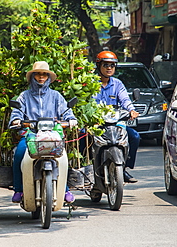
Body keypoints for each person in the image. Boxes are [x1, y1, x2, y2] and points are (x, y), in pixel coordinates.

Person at [9, 61, 78, 203]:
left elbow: (66, 111)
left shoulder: (56, 96)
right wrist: (16, 120)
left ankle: (64, 189)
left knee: (62, 158)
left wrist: (70, 119)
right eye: (38, 74)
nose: (41, 77)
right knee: (19, 153)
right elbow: (17, 113)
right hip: (31, 135)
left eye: (44, 74)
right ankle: (19, 189)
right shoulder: (24, 96)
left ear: (48, 77)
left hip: (52, 135)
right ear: (33, 76)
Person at [93, 51, 140, 183]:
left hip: (114, 123)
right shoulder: (91, 83)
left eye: (112, 65)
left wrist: (132, 110)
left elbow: (125, 100)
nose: (109, 68)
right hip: (96, 125)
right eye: (106, 65)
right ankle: (86, 169)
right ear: (99, 66)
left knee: (134, 136)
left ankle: (123, 167)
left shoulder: (117, 84)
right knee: (82, 139)